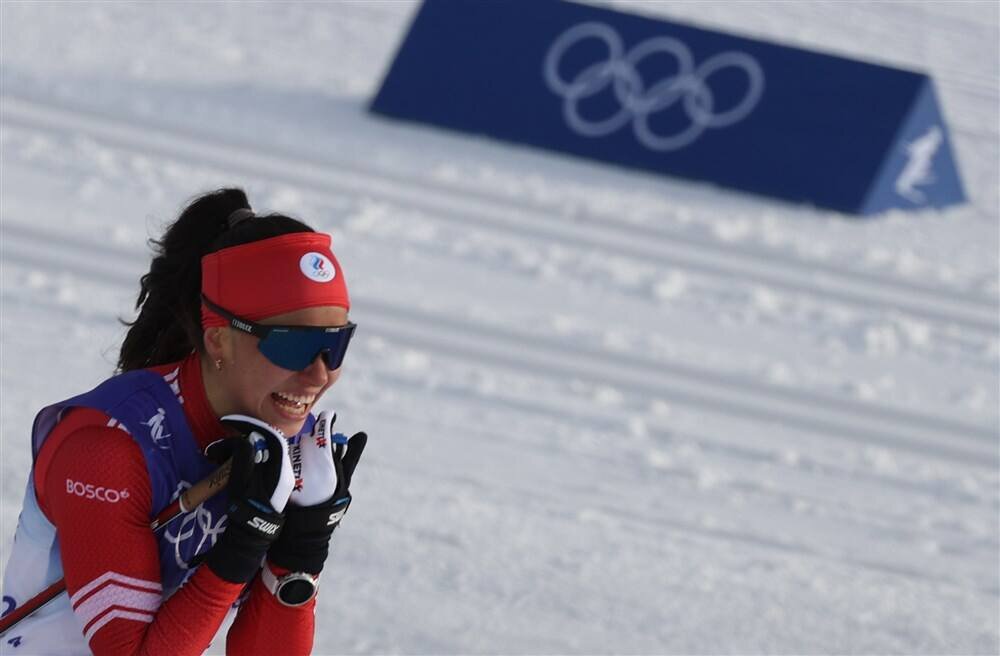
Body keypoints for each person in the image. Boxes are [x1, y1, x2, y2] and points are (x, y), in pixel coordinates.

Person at [0, 188, 366, 655]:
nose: (319, 374)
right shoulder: (108, 450)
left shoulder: (280, 445)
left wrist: (301, 552)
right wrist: (239, 551)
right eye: (292, 346)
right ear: (218, 342)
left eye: (335, 345)